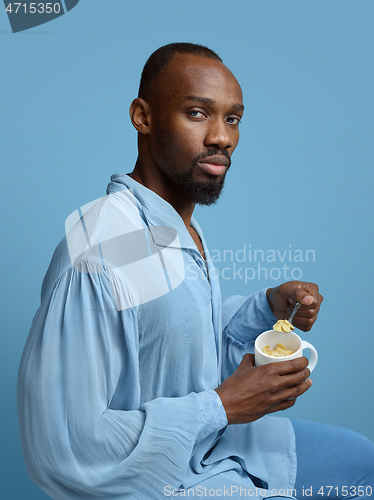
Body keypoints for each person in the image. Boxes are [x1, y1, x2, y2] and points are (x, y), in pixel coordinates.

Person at [18, 43, 374, 500]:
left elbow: (170, 347)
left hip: (211, 448)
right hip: (164, 479)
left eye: (232, 118)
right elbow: (63, 444)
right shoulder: (103, 251)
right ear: (143, 117)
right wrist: (221, 407)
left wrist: (264, 311)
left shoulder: (178, 228)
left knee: (361, 462)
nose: (222, 138)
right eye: (196, 113)